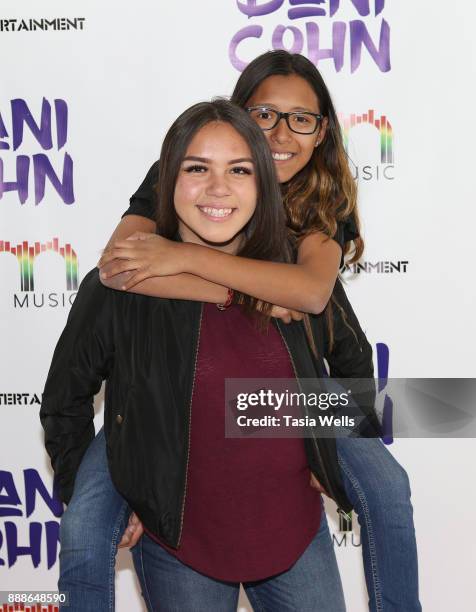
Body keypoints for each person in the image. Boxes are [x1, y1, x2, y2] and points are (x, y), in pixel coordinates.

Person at [97, 51, 420, 611]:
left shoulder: (322, 196)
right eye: (265, 114)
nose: (281, 132)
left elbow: (311, 293)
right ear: (240, 114)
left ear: (322, 133)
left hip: (308, 387)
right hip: (176, 391)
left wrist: (179, 257)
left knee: (388, 488)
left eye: (302, 118)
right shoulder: (193, 167)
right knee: (86, 524)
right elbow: (119, 267)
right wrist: (248, 294)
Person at [40, 99, 371, 611]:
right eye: (197, 169)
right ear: (167, 183)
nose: (219, 188)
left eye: (239, 170)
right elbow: (65, 399)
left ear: (264, 185)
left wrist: (329, 452)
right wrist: (99, 493)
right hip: (178, 545)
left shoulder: (296, 283)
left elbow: (353, 367)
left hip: (295, 535)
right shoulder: (123, 286)